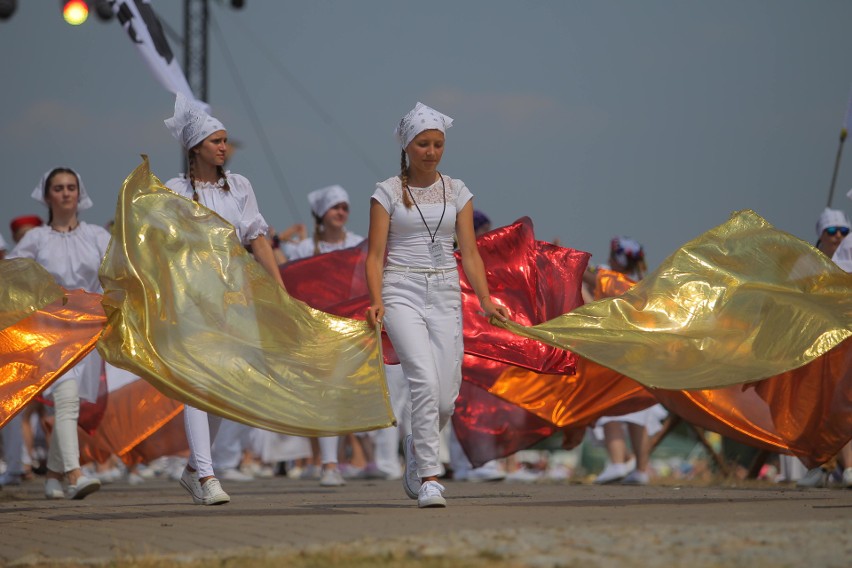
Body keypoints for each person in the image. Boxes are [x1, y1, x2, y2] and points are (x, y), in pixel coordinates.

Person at [365, 102, 510, 508]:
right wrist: (376, 301)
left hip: (446, 290)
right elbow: (375, 256)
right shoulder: (387, 192)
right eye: (423, 144)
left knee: (446, 395)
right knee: (423, 382)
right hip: (401, 290)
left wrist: (485, 299)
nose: (431, 152)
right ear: (407, 147)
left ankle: (416, 447)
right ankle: (430, 477)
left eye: (438, 144)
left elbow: (470, 251)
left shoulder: (458, 190)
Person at [164, 93, 285, 506]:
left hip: (234, 294)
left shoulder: (241, 187)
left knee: (227, 387)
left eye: (225, 140)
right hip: (192, 296)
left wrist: (280, 290)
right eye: (216, 140)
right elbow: (159, 244)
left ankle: (195, 469)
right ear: (196, 147)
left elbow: (258, 239)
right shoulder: (174, 190)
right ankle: (208, 474)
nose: (223, 147)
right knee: (197, 383)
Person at [7, 168, 109, 500]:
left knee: (71, 405)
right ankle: (75, 474)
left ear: (80, 194)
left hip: (88, 334)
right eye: (58, 188)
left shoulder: (97, 235)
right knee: (65, 400)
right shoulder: (35, 239)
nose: (65, 193)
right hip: (50, 334)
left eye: (71, 187)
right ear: (47, 195)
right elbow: (12, 279)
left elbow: (121, 271)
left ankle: (52, 475)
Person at [288, 185, 364, 487]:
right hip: (317, 332)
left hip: (353, 331)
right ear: (322, 213)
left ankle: (377, 460)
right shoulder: (304, 249)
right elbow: (284, 273)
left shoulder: (359, 244)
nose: (341, 212)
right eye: (335, 207)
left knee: (349, 398)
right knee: (326, 397)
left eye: (345, 207)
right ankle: (329, 464)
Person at [583, 236, 667, 485]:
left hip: (613, 352)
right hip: (639, 355)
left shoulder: (609, 280)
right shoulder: (644, 284)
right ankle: (640, 469)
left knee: (612, 407)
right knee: (639, 412)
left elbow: (588, 293)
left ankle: (618, 462)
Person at [796, 207, 852, 488]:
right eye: (832, 231)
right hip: (820, 346)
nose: (838, 235)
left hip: (846, 343)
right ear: (821, 235)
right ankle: (822, 465)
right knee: (818, 406)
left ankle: (844, 466)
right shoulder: (810, 266)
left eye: (844, 230)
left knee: (842, 402)